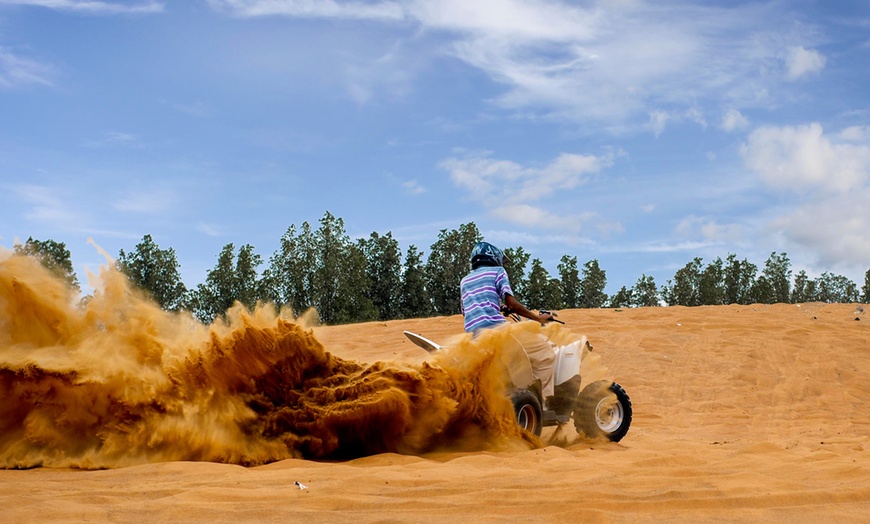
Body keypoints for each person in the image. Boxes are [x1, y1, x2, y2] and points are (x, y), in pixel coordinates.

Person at [459, 241, 557, 406]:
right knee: (546, 352)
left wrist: (498, 306)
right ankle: (544, 403)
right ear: (493, 257)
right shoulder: (498, 271)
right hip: (498, 331)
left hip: (475, 336)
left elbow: (467, 309)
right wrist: (538, 319)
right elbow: (512, 303)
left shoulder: (465, 281)